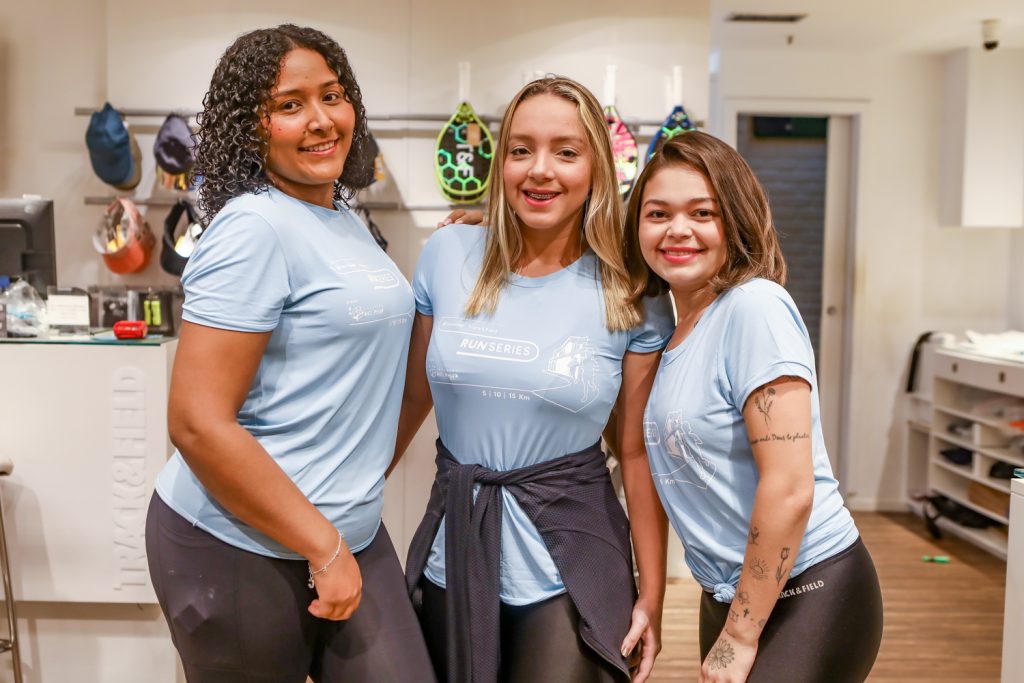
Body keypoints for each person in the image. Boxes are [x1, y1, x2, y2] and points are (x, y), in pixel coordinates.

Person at [145, 24, 434, 683]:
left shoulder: (338, 214)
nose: (321, 120)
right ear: (252, 127)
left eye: (332, 95)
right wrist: (323, 544)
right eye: (290, 104)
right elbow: (196, 420)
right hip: (233, 544)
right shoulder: (253, 228)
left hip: (339, 530)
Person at [392, 76, 674, 683]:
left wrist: (653, 592)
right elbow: (410, 400)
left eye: (566, 152)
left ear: (597, 165)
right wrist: (336, 513)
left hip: (570, 551)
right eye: (521, 149)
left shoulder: (631, 288)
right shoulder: (446, 255)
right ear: (501, 162)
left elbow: (635, 451)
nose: (539, 170)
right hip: (457, 542)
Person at [623, 131, 883, 682]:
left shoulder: (754, 308)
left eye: (702, 212)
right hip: (728, 590)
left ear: (735, 221)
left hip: (810, 588)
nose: (677, 230)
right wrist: (486, 228)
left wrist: (741, 634)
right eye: (657, 213)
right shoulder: (672, 333)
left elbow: (789, 487)